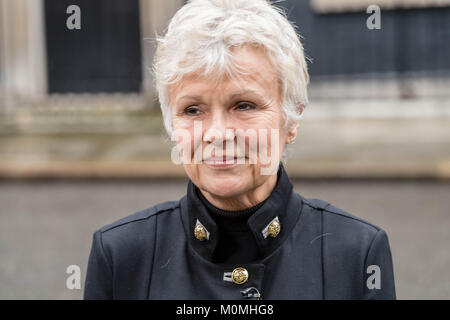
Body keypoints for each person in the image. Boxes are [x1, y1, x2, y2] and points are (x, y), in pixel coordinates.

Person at [84, 0, 396, 300]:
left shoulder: (356, 254)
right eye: (193, 110)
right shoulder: (120, 256)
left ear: (291, 118)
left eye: (244, 105)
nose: (218, 134)